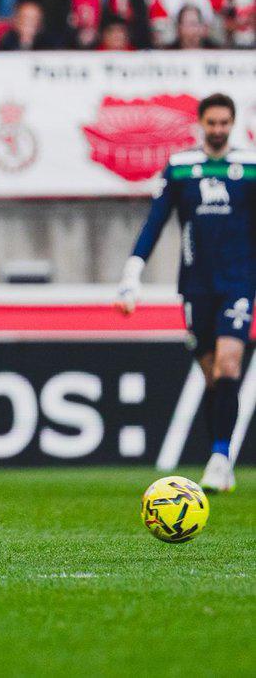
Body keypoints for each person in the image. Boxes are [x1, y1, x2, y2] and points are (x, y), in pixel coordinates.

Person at [115, 93, 256, 493]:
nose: (217, 130)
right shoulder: (180, 168)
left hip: (240, 283)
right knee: (212, 375)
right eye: (211, 123)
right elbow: (154, 223)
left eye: (224, 123)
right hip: (195, 286)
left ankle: (219, 457)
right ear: (200, 123)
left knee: (230, 365)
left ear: (233, 122)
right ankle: (220, 455)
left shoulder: (250, 167)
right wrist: (132, 274)